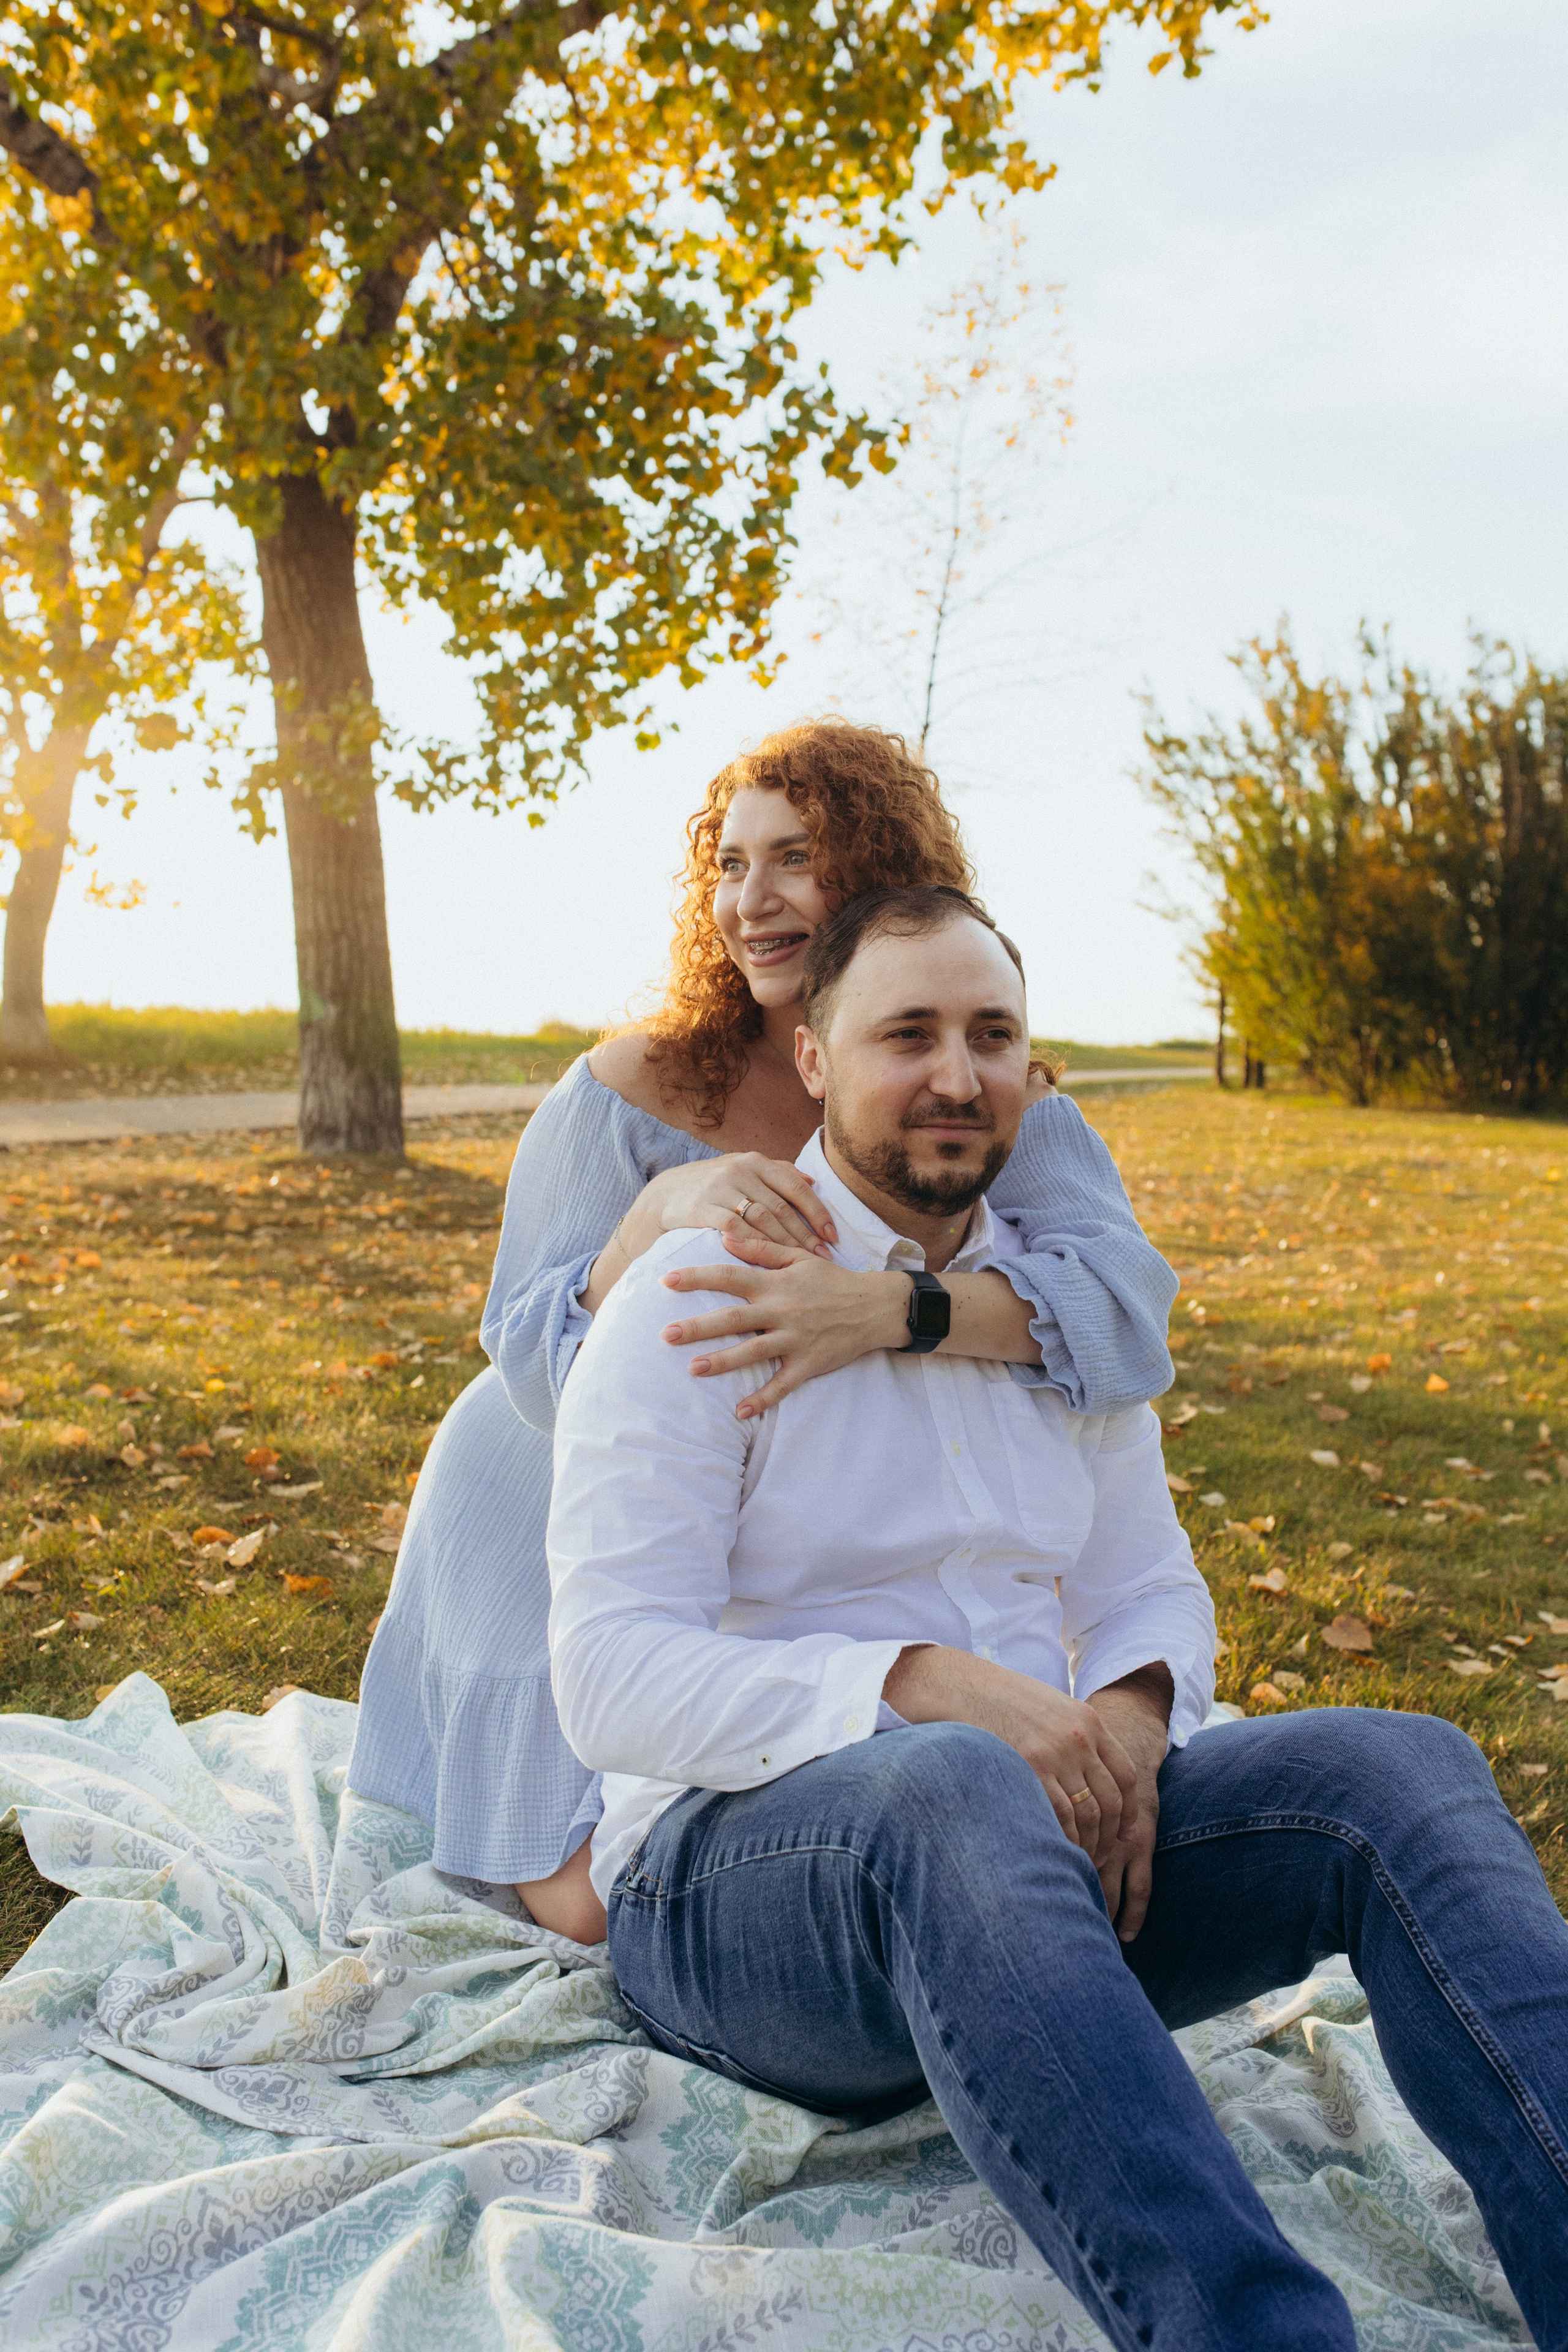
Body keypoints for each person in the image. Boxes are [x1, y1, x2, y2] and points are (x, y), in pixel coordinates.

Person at [546, 884, 1568, 2352]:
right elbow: (608, 1678)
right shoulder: (695, 1299)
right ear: (815, 1058)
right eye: (907, 1034)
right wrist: (927, 1685)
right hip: (732, 1894)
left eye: (991, 1036)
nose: (956, 1075)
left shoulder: (1051, 1316)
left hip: (1039, 1871)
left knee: (1399, 1770)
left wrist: (1130, 1729)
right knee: (952, 1781)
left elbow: (1145, 1585)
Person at [350, 722, 1178, 1945]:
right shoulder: (628, 1089)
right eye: (730, 866)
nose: (753, 900)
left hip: (794, 1474)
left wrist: (888, 1313)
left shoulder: (985, 1098)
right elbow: (523, 1347)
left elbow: (1122, 1319)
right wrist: (653, 1216)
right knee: (585, 1907)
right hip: (545, 1464)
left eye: (794, 857)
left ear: (881, 869)